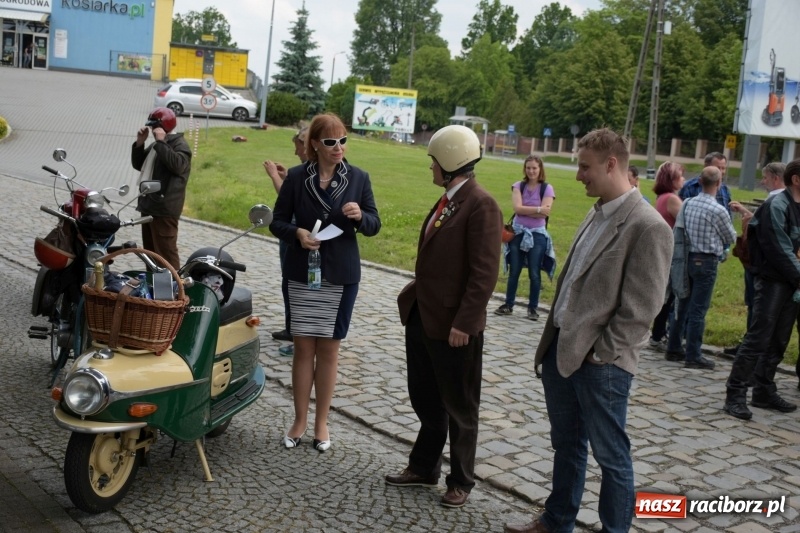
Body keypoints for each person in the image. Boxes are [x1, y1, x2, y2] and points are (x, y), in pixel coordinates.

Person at [504, 128, 673, 533]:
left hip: (603, 364)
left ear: (612, 164)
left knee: (611, 455)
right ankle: (556, 520)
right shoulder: (597, 211)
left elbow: (642, 309)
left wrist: (601, 354)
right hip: (561, 350)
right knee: (567, 445)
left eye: (585, 167)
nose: (577, 175)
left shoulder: (648, 226)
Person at [386, 125, 502, 509]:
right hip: (424, 316)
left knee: (460, 407)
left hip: (454, 326)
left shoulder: (481, 204)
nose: (429, 167)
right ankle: (424, 467)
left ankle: (462, 479)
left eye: (433, 161)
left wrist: (465, 324)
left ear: (450, 163)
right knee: (426, 399)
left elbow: (484, 274)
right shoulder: (450, 199)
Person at [269, 113, 380, 453]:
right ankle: (299, 420)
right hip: (303, 271)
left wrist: (361, 217)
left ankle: (321, 423)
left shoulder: (359, 178)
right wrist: (297, 233)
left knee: (329, 351)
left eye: (343, 140)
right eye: (331, 142)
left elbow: (375, 224)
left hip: (340, 274)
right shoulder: (297, 177)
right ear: (314, 145)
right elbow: (276, 222)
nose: (339, 148)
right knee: (303, 348)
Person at [723, 160, 800, 420]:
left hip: (791, 284)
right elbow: (779, 248)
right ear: (796, 179)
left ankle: (764, 390)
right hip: (772, 282)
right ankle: (734, 395)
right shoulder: (777, 206)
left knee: (779, 339)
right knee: (758, 338)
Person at [665, 166, 737, 369]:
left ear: (699, 182)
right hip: (706, 261)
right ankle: (693, 354)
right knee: (698, 310)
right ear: (718, 184)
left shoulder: (687, 203)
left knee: (682, 303)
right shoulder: (718, 210)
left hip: (687, 257)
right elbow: (730, 236)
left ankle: (673, 347)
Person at [728, 162, 786, 348]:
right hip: (764, 265)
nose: (763, 182)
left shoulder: (776, 201)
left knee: (757, 308)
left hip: (760, 265)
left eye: (765, 178)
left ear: (776, 178)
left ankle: (751, 348)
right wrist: (746, 212)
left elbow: (764, 230)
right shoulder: (781, 200)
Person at [264, 126, 308, 354]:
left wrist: (274, 176)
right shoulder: (302, 172)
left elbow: (287, 199)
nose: (296, 153)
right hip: (291, 232)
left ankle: (298, 335)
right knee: (289, 283)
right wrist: (285, 177)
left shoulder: (309, 172)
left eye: (298, 147)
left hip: (297, 236)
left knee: (296, 284)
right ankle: (293, 329)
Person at [495, 155, 555, 321]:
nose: (531, 171)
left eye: (534, 168)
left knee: (535, 273)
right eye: (528, 168)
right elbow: (517, 208)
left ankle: (533, 308)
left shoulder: (547, 189)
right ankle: (508, 304)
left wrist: (528, 209)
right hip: (518, 232)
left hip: (537, 235)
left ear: (540, 169)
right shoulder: (518, 186)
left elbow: (547, 211)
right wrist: (538, 209)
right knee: (514, 271)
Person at [131, 106, 191, 269]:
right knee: (151, 254)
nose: (151, 129)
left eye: (154, 126)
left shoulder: (179, 145)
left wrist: (160, 142)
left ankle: (175, 288)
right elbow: (139, 165)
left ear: (163, 126)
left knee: (166, 253)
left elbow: (177, 166)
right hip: (150, 205)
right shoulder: (158, 145)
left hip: (164, 209)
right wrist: (140, 143)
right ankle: (153, 287)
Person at [648, 161, 685, 351]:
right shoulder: (672, 198)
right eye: (680, 176)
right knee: (668, 296)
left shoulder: (662, 197)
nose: (683, 179)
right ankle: (658, 334)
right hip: (671, 253)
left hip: (661, 251)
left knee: (665, 295)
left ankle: (657, 333)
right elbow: (686, 224)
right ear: (672, 179)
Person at [679, 151, 732, 216]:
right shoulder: (689, 187)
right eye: (717, 168)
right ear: (706, 166)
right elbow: (682, 214)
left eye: (723, 168)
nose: (720, 172)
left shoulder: (725, 189)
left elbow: (728, 216)